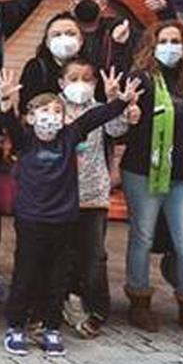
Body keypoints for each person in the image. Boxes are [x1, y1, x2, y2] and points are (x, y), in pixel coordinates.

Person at [0, 68, 138, 356]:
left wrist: (121, 101)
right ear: (31, 118)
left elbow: (95, 118)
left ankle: (51, 327)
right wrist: (8, 104)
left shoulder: (69, 136)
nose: (51, 116)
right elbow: (9, 123)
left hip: (62, 219)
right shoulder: (26, 141)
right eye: (44, 111)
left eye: (57, 112)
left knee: (57, 277)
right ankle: (16, 326)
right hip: (31, 220)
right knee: (26, 274)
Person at [121, 20, 183, 336]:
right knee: (142, 237)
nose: (170, 47)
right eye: (164, 41)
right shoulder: (141, 79)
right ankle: (139, 302)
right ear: (152, 45)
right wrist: (128, 115)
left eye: (176, 41)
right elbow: (123, 117)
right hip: (142, 171)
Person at [55, 59, 136, 338]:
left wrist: (115, 102)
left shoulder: (100, 110)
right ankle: (61, 303)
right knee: (60, 253)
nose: (80, 84)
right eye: (73, 78)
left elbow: (117, 130)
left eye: (87, 79)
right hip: (57, 196)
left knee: (93, 257)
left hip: (93, 194)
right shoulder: (52, 108)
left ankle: (97, 309)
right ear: (61, 82)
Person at [71, 0, 176, 78]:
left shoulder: (122, 30)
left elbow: (158, 42)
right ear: (71, 5)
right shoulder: (63, 30)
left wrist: (164, 11)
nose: (87, 2)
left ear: (103, 5)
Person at [20, 13, 85, 108]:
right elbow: (26, 108)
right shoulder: (36, 68)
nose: (64, 39)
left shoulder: (91, 67)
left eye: (70, 34)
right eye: (56, 35)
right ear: (47, 42)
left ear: (81, 40)